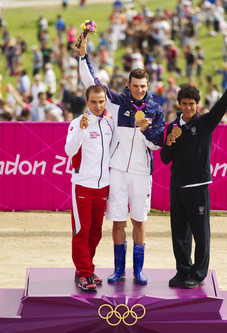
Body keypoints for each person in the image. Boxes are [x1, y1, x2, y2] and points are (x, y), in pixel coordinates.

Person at [77, 34, 165, 286]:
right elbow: (91, 82)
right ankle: (119, 271)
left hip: (140, 173)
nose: (139, 89)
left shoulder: (155, 110)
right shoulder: (116, 102)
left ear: (148, 85)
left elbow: (157, 144)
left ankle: (138, 271)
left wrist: (145, 129)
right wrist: (83, 56)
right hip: (116, 171)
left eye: (143, 86)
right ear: (129, 85)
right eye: (135, 85)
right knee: (117, 221)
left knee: (139, 220)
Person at [160, 65, 227, 289]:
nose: (188, 107)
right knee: (179, 233)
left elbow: (222, 104)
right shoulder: (172, 127)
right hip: (177, 186)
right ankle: (183, 270)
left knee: (200, 233)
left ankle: (198, 273)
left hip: (198, 186)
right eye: (184, 103)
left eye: (192, 104)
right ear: (179, 104)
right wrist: (169, 141)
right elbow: (165, 159)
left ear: (197, 105)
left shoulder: (205, 123)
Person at [64, 85, 114, 292]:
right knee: (81, 232)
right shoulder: (77, 123)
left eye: (101, 101)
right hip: (83, 185)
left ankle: (85, 268)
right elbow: (69, 150)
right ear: (87, 102)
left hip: (103, 186)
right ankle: (85, 272)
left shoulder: (110, 123)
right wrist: (82, 131)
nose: (98, 105)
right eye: (93, 101)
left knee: (96, 233)